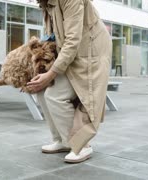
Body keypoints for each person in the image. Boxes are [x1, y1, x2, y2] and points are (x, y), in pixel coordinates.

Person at [27, 0, 112, 163]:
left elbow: (72, 40)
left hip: (91, 52)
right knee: (42, 91)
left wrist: (51, 73)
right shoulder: (46, 2)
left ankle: (81, 145)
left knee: (55, 94)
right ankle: (62, 140)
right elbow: (57, 35)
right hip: (73, 53)